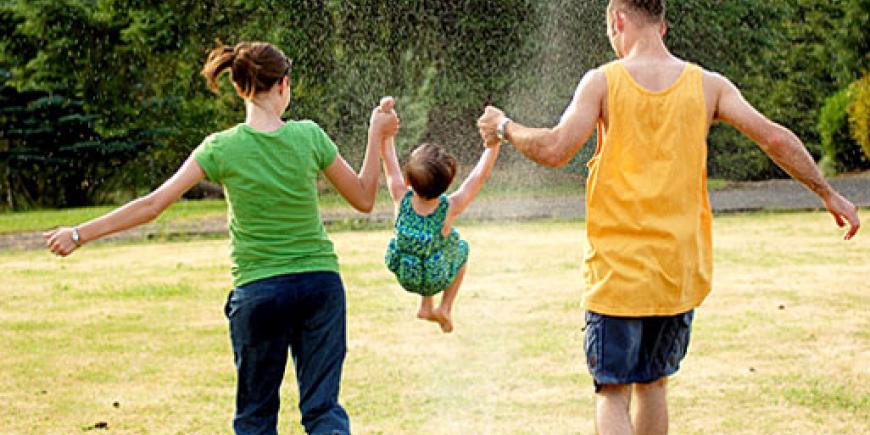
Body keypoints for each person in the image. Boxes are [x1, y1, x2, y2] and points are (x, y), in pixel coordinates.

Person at [476, 1, 861, 433]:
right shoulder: (709, 86)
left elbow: (554, 148)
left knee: (612, 392)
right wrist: (828, 193)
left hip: (619, 275)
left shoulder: (602, 82)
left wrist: (505, 126)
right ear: (663, 25)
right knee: (654, 384)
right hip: (677, 272)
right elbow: (773, 138)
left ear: (619, 19)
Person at [43, 41, 399, 435]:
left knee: (255, 418)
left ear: (239, 87)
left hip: (260, 293)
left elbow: (152, 205)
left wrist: (78, 233)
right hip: (320, 286)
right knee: (323, 413)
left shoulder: (220, 148)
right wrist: (376, 136)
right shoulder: (309, 136)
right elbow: (365, 198)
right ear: (284, 85)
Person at [381, 136, 500, 333]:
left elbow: (388, 159)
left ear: (408, 179)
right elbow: (478, 178)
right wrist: (492, 146)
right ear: (448, 184)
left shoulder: (400, 197)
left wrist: (387, 133)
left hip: (405, 272)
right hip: (436, 278)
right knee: (459, 249)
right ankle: (445, 307)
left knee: (424, 248)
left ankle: (426, 306)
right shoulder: (449, 208)